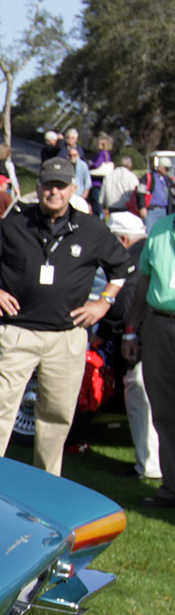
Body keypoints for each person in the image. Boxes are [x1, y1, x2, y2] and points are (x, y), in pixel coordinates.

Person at [0, 156, 134, 475]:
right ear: (38, 187)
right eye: (48, 185)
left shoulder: (92, 230)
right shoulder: (15, 224)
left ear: (74, 189)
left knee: (56, 416)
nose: (54, 191)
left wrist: (102, 304)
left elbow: (122, 269)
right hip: (19, 333)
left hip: (67, 336)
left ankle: (45, 485)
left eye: (61, 185)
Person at [122, 208, 175, 506]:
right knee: (165, 412)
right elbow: (144, 281)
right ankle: (170, 489)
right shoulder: (160, 229)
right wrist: (130, 330)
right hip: (159, 325)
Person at [104, 212, 159, 482]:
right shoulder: (150, 249)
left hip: (146, 341)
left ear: (123, 239)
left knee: (142, 401)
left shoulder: (132, 260)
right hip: (156, 336)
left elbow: (124, 305)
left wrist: (110, 331)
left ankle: (148, 464)